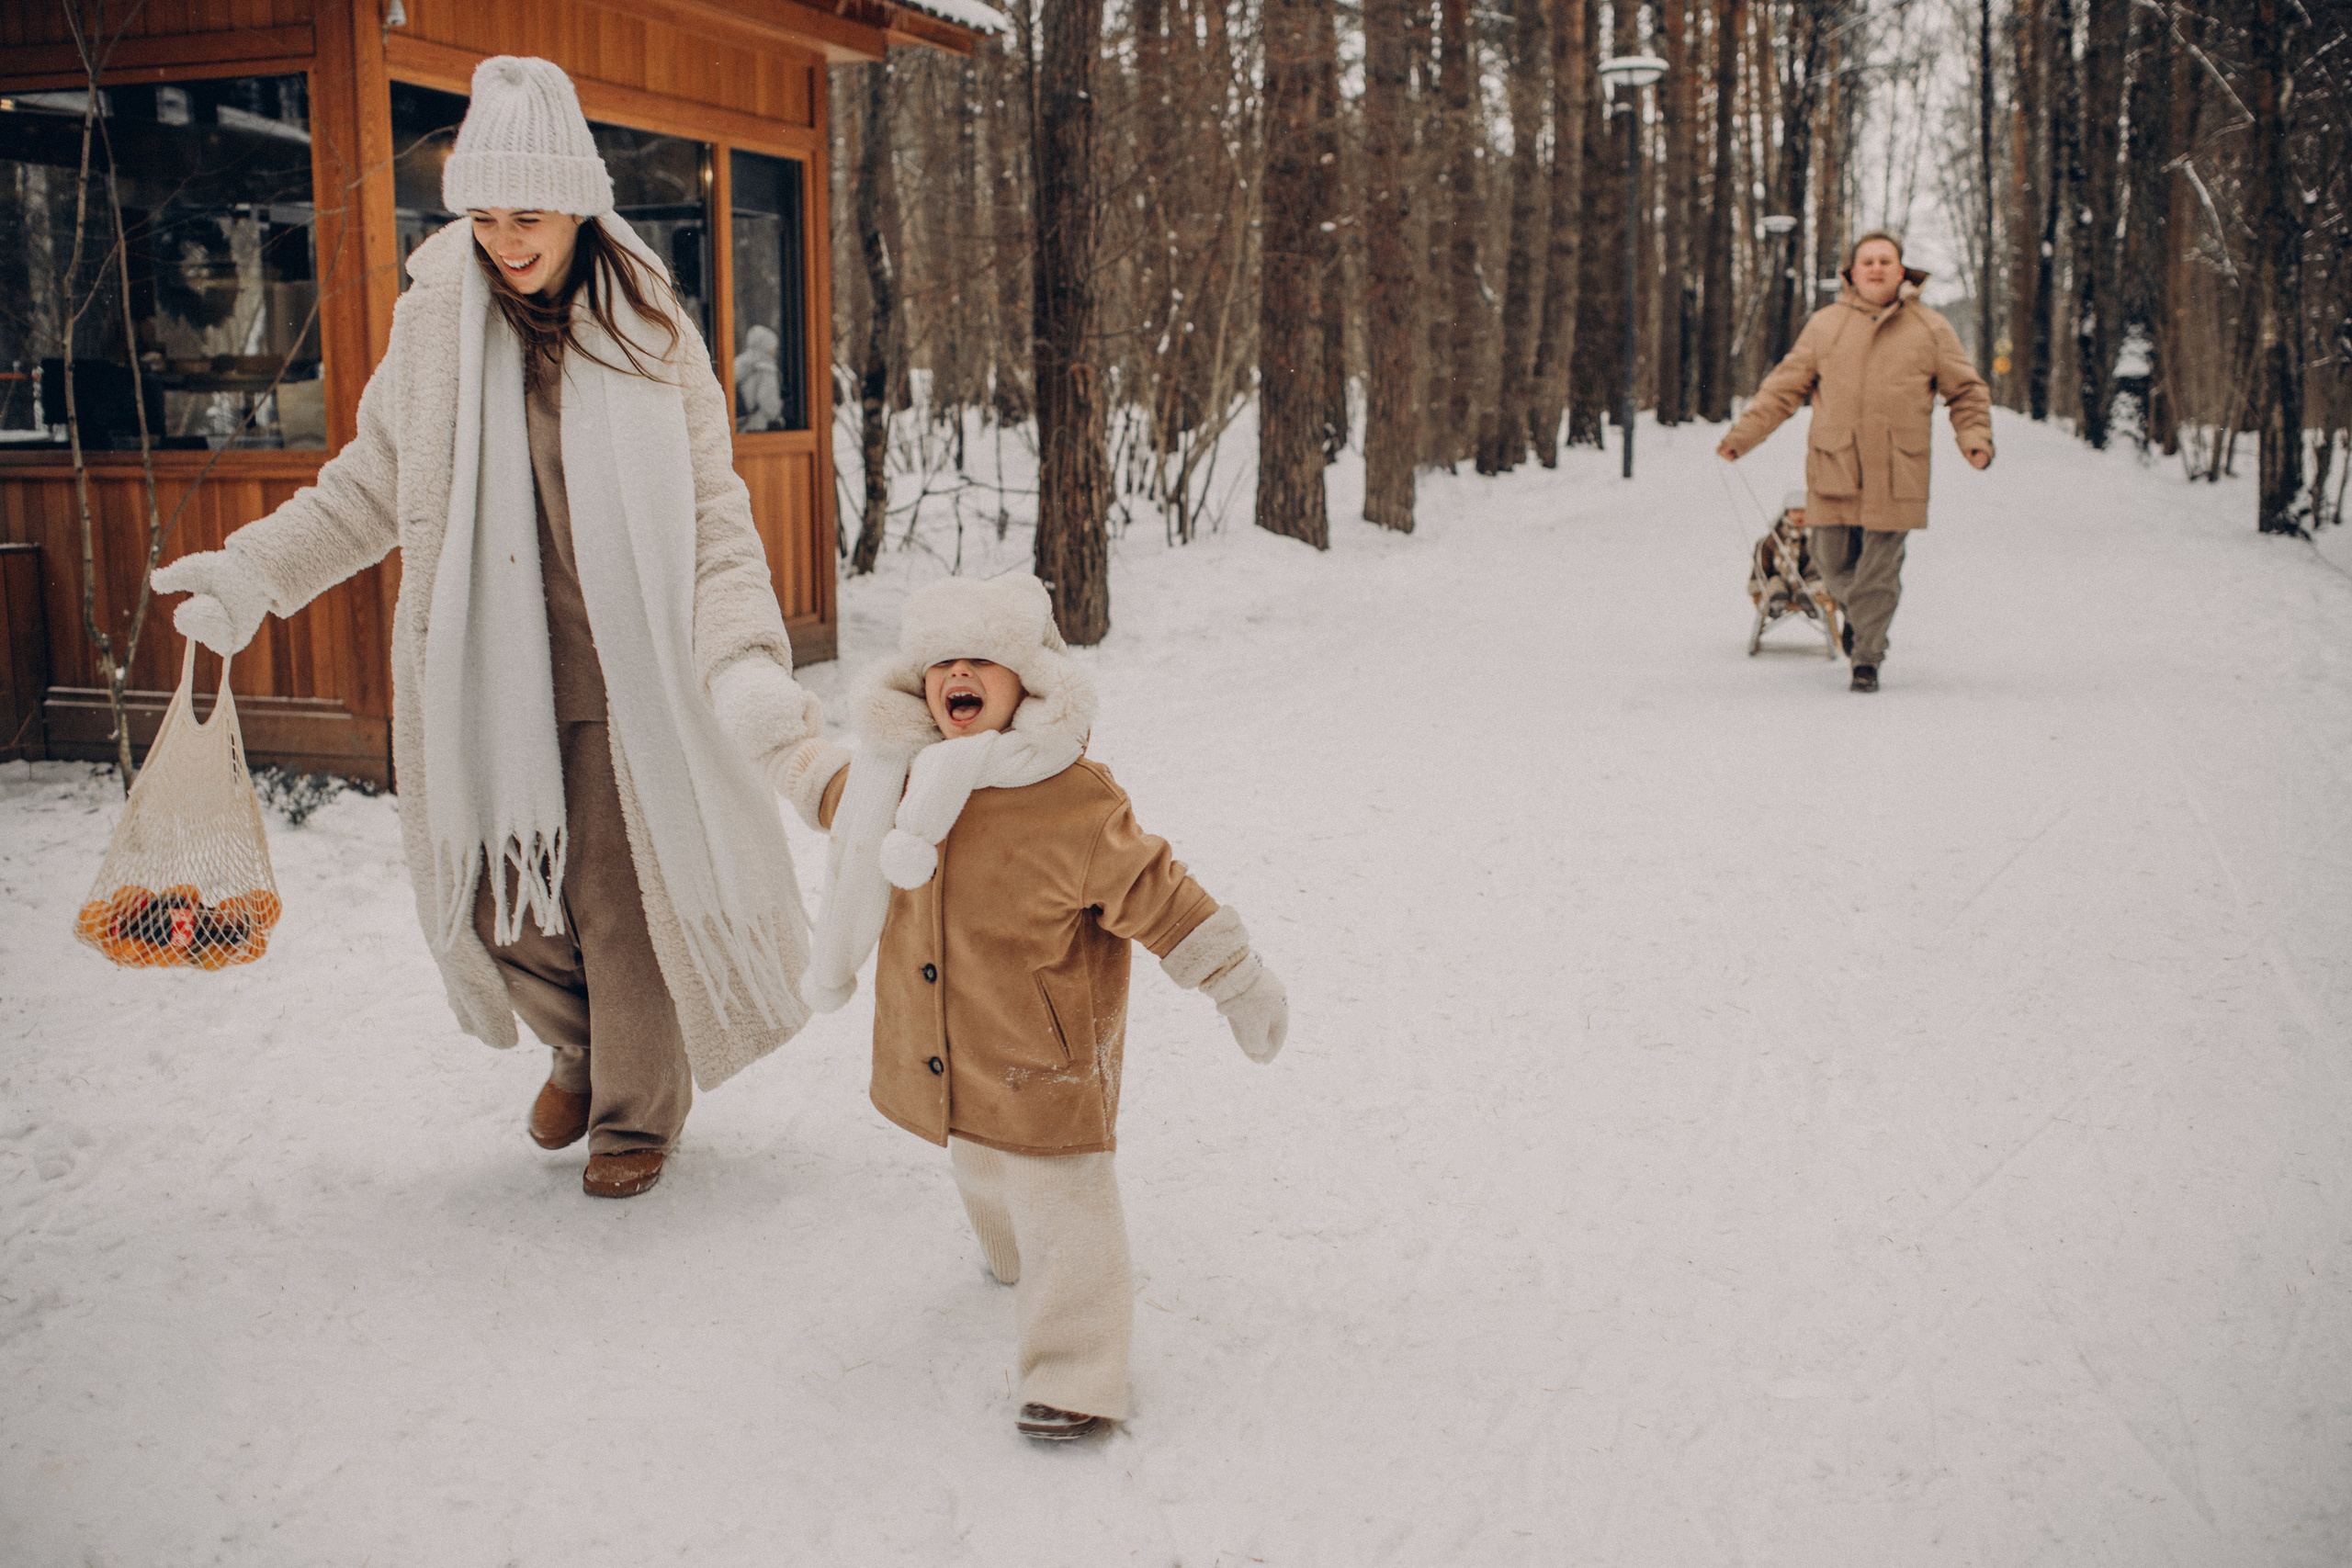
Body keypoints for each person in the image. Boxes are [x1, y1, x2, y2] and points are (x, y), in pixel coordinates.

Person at [151, 57, 831, 1198]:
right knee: (495, 901)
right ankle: (577, 1045)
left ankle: (633, 1114)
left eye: (527, 214)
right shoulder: (434, 332)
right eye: (481, 215)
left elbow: (714, 514)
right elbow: (369, 488)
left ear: (576, 205)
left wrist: (747, 655)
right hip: (487, 671)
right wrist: (252, 574)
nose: (504, 238)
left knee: (624, 908)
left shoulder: (651, 329)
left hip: (630, 676)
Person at [785, 572, 1289, 1442]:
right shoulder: (893, 778)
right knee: (978, 1160)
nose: (958, 676)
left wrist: (1237, 978)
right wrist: (778, 745)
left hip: (1045, 1055)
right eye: (942, 662)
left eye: (982, 659)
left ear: (1027, 681)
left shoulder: (1073, 799)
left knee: (1064, 1206)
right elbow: (831, 794)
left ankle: (1076, 1374)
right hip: (946, 1044)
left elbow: (1161, 894)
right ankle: (1011, 1255)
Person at [1715, 231, 1993, 693]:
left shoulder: (1930, 328)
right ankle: (1860, 620)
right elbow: (1784, 388)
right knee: (1831, 564)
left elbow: (1966, 391)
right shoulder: (1826, 325)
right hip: (1833, 467)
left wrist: (1974, 438)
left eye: (1886, 260)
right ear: (1853, 273)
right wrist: (1740, 439)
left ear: (1902, 271)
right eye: (1868, 261)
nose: (1877, 268)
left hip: (1898, 471)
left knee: (1879, 576)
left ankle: (1866, 658)